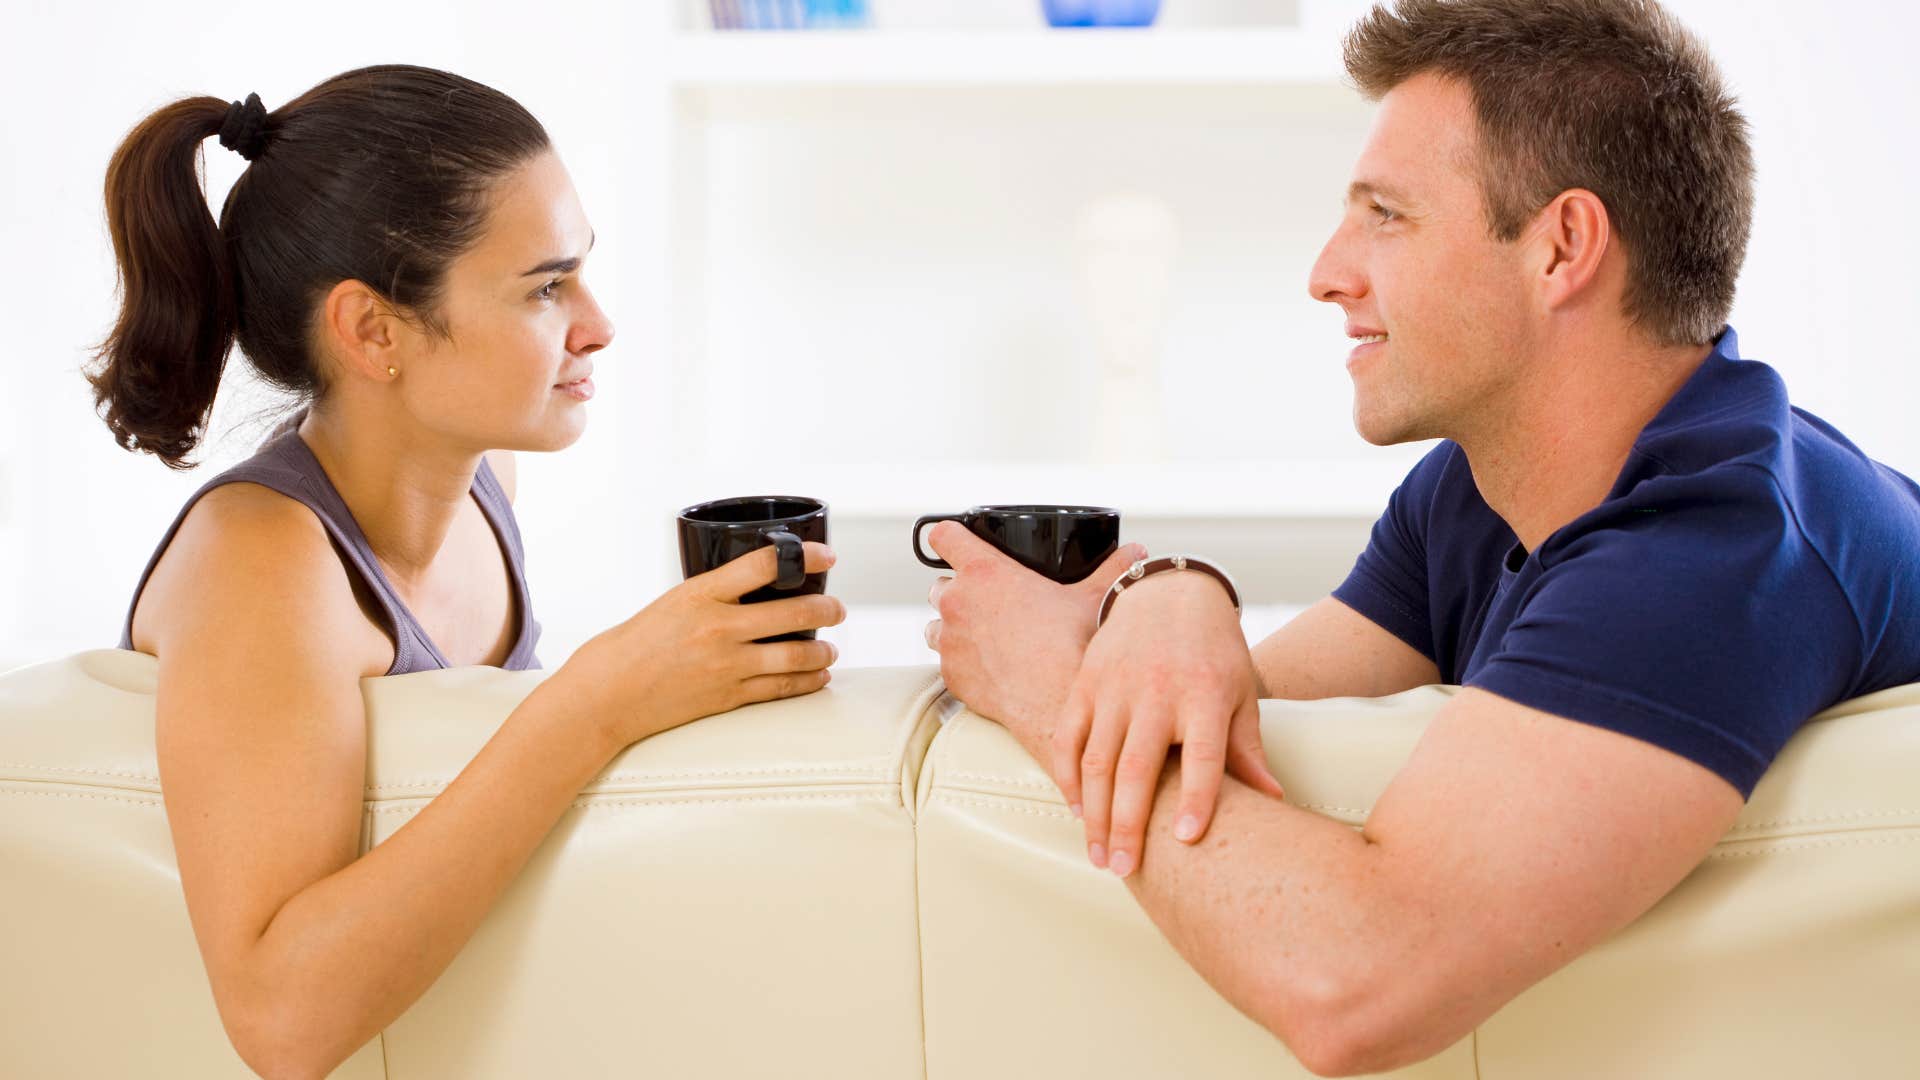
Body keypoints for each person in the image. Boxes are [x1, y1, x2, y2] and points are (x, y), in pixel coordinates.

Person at [923, 0, 1920, 1073]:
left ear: (1561, 249)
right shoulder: (1484, 483)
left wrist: (1039, 685)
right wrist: (1171, 590)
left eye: (1386, 216)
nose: (1326, 273)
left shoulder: (1714, 550)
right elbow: (1242, 718)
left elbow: (1357, 984)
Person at [91, 65, 844, 1078]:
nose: (598, 324)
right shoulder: (262, 564)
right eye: (544, 287)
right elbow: (280, 1020)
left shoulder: (487, 489)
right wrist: (599, 701)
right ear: (372, 331)